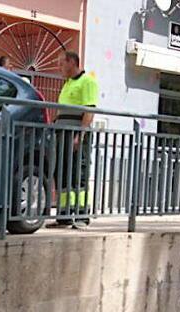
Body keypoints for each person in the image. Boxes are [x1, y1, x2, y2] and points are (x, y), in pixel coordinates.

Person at [53, 50, 99, 228]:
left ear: (72, 62)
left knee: (78, 172)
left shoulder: (88, 81)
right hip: (62, 134)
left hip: (76, 134)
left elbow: (89, 110)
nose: (60, 67)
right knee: (62, 172)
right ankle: (64, 216)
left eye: (61, 63)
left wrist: (81, 135)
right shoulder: (67, 83)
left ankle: (81, 216)